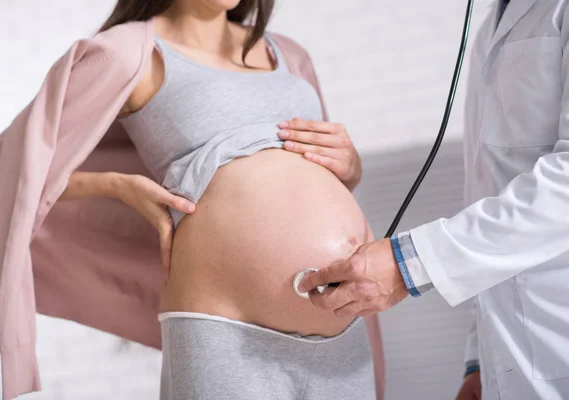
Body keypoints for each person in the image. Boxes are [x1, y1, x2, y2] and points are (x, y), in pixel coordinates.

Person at [0, 1, 385, 399]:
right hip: (224, 331)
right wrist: (116, 184)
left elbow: (316, 178)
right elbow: (14, 167)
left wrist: (350, 167)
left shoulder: (289, 53)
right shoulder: (129, 52)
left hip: (343, 329)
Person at [300, 0, 569, 399]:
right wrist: (480, 359)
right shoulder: (489, 29)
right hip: (513, 354)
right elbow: (490, 195)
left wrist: (410, 265)